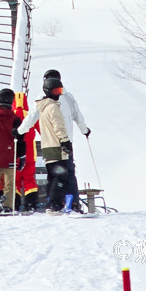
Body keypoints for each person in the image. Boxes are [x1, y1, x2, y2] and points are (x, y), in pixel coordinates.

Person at [17, 75, 75, 214]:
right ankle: (54, 205)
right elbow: (59, 126)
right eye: (56, 91)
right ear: (48, 91)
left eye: (60, 90)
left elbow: (30, 122)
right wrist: (65, 141)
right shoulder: (53, 107)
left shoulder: (42, 107)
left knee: (52, 177)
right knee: (60, 177)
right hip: (57, 147)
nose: (58, 94)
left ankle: (52, 202)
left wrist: (18, 131)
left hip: (47, 147)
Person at [42, 67, 90, 211]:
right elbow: (77, 115)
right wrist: (84, 130)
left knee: (55, 173)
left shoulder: (43, 100)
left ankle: (55, 202)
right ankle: (72, 202)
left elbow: (33, 117)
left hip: (51, 142)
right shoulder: (68, 97)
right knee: (68, 173)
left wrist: (21, 131)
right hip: (67, 141)